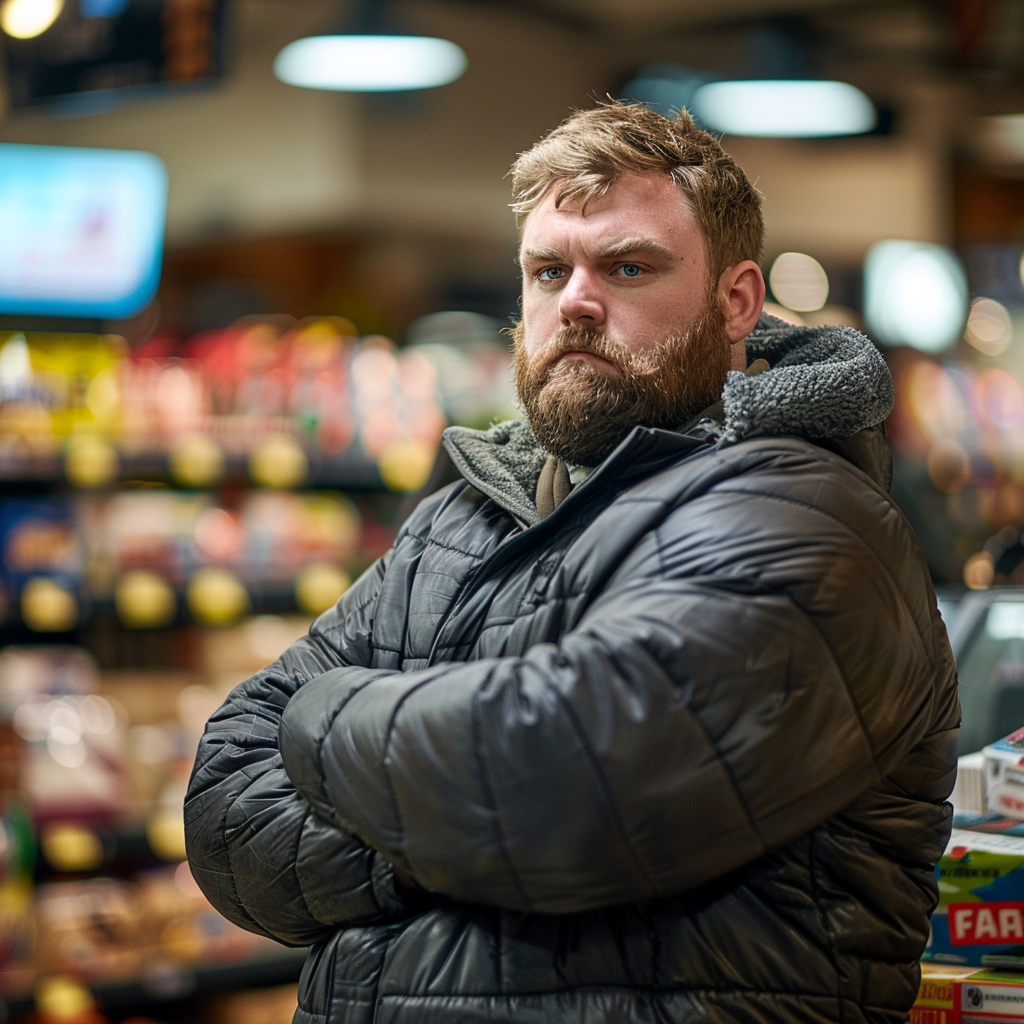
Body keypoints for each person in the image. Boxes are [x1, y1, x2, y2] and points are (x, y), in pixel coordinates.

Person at [185, 102, 959, 1024]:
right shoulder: (458, 518)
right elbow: (226, 805)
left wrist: (324, 719)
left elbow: (557, 787)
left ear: (737, 301)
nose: (577, 300)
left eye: (629, 267)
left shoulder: (810, 512)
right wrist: (451, 823)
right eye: (549, 270)